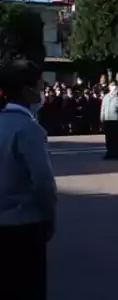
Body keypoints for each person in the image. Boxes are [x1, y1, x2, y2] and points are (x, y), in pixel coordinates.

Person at [0, 59, 57, 300]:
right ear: (26, 90)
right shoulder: (26, 127)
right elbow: (43, 182)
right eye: (39, 85)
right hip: (23, 224)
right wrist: (48, 218)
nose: (42, 90)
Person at [99, 80, 118, 160]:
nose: (113, 87)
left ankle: (116, 153)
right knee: (108, 138)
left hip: (116, 120)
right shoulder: (106, 97)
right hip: (107, 120)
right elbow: (103, 109)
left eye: (115, 86)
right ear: (109, 87)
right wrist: (102, 120)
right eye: (112, 85)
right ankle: (109, 153)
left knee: (115, 138)